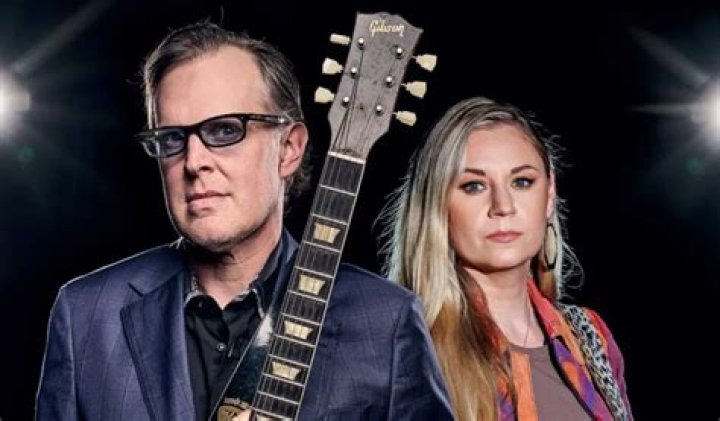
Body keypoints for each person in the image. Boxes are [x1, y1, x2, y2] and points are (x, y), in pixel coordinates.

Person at [36, 21, 453, 421]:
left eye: (224, 130)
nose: (194, 162)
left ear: (288, 149)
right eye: (172, 139)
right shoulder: (86, 315)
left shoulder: (386, 321)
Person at [383, 96, 632, 421]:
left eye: (522, 182)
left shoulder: (590, 338)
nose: (503, 205)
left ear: (549, 194)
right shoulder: (408, 350)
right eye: (474, 186)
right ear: (437, 204)